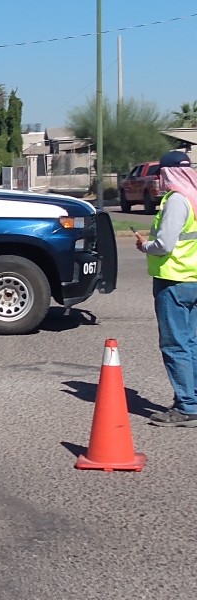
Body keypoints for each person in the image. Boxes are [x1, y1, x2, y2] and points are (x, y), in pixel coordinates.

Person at [134, 150, 197, 427]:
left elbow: (165, 245)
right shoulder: (194, 197)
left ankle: (186, 406)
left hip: (174, 281)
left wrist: (144, 246)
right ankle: (192, 399)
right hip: (193, 279)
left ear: (167, 173)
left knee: (175, 345)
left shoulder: (176, 201)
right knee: (192, 344)